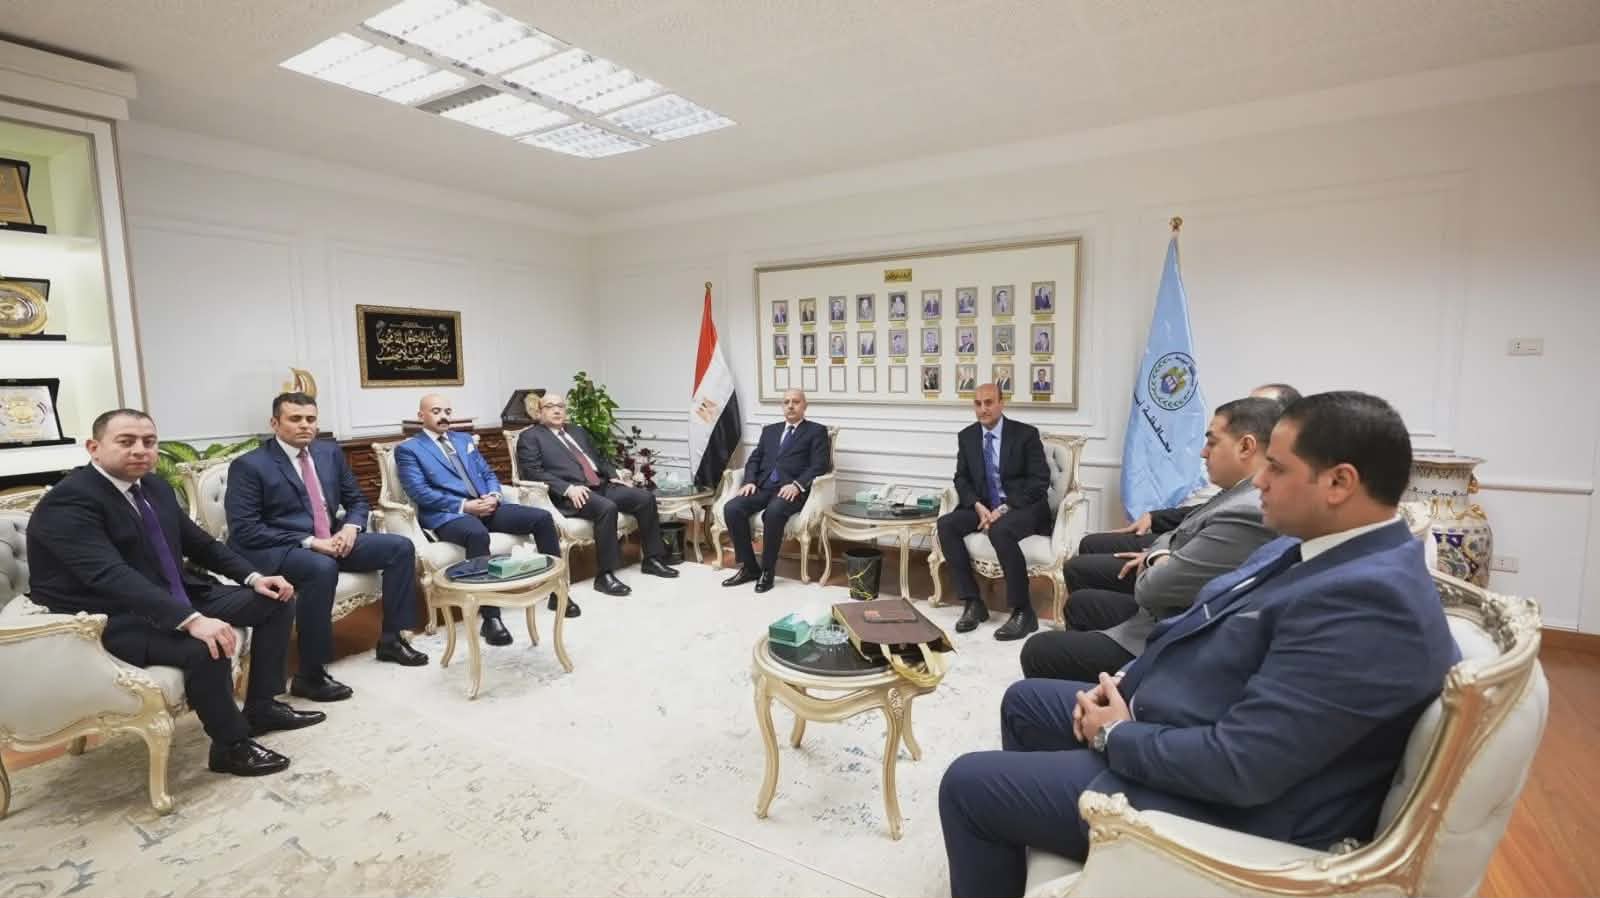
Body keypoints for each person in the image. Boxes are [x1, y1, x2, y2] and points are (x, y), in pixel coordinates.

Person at [937, 392, 1459, 898]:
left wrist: (1116, 735)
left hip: (1225, 813)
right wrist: (1126, 683)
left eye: (1277, 468)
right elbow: (1201, 625)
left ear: (1339, 482)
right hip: (1184, 719)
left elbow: (1242, 767)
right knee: (1024, 702)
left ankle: (1060, 832)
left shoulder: (1371, 602)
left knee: (968, 785)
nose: (1260, 480)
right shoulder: (1320, 548)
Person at [27, 409, 318, 777]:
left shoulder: (153, 487)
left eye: (149, 442)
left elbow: (201, 544)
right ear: (93, 448)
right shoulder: (69, 501)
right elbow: (109, 575)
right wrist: (191, 620)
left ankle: (262, 707)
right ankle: (231, 747)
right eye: (126, 441)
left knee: (276, 600)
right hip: (106, 615)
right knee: (205, 646)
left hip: (171, 593)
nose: (140, 450)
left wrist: (254, 577)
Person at [1020, 397, 1282, 682]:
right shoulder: (1236, 491)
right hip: (1166, 603)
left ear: (1246, 446)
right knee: (1081, 602)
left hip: (1174, 634)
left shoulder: (1247, 510)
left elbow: (1152, 589)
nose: (1203, 452)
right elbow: (1176, 532)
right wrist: (1160, 555)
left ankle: (1111, 692)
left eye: (1212, 442)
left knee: (1037, 650)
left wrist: (1157, 557)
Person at [226, 392, 426, 703]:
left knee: (399, 547)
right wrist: (312, 543)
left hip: (331, 538)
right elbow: (246, 529)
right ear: (274, 423)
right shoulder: (250, 466)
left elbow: (357, 500)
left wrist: (350, 528)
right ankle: (310, 674)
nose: (305, 425)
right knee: (321, 567)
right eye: (295, 419)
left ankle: (391, 640)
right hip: (278, 547)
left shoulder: (328, 453)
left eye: (310, 419)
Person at [396, 393, 574, 646]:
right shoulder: (409, 449)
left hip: (486, 505)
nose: (444, 416)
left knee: (542, 518)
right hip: (449, 514)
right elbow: (419, 492)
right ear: (421, 416)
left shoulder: (463, 439)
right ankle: (491, 619)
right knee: (477, 534)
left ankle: (556, 591)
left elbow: (488, 473)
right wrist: (465, 506)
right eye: (436, 411)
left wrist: (493, 495)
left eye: (447, 411)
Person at [1086, 383, 1302, 552]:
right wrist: (1156, 519)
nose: (1249, 409)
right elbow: (1208, 510)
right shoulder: (1246, 475)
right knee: (1094, 545)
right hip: (1185, 540)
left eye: (1258, 405)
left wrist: (1158, 556)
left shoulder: (1274, 487)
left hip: (1192, 551)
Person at [517, 393, 679, 597]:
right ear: (539, 412)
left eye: (560, 406)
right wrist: (567, 488)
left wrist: (614, 476)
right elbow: (532, 471)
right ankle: (605, 575)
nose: (557, 410)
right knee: (606, 508)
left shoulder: (577, 431)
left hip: (601, 485)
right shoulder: (530, 437)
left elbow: (599, 459)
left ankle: (652, 559)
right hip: (572, 493)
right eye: (550, 406)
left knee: (645, 499)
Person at [936, 384, 1052, 640]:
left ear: (1001, 403)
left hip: (1023, 506)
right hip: (984, 506)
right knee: (946, 524)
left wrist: (1004, 508)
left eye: (988, 403)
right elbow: (961, 478)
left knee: (1000, 530)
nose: (983, 409)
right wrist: (977, 505)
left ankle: (1024, 611)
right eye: (978, 404)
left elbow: (1039, 482)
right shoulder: (967, 436)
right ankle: (973, 603)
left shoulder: (1025, 434)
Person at [721, 389, 830, 593]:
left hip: (791, 491)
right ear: (782, 406)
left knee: (773, 512)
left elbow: (819, 465)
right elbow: (754, 459)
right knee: (732, 508)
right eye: (786, 402)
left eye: (796, 402)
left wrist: (797, 485)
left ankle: (767, 571)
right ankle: (749, 567)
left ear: (805, 406)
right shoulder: (770, 431)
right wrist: (750, 481)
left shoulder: (816, 431)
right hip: (763, 487)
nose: (790, 405)